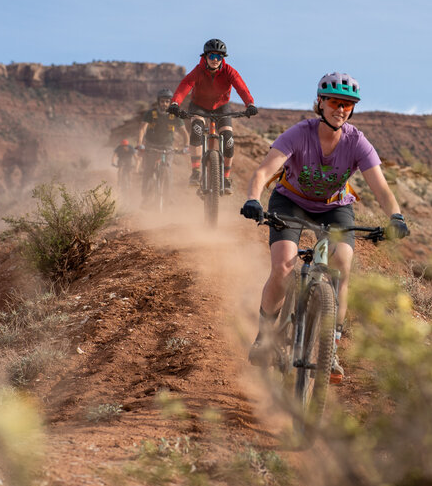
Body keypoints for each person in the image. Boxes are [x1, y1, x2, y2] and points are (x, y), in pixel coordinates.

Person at [240, 72, 409, 383]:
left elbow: (381, 189)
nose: (340, 109)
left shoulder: (357, 142)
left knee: (342, 263)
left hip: (335, 208)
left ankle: (330, 348)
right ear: (320, 102)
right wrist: (253, 198)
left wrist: (395, 216)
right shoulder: (299, 134)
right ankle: (264, 337)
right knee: (283, 268)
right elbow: (264, 170)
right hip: (290, 202)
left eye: (347, 104)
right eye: (334, 102)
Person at [167, 38, 258, 193]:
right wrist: (175, 103)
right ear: (205, 56)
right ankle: (196, 172)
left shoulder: (229, 71)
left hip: (221, 107)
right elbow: (185, 85)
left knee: (228, 138)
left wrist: (250, 104)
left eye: (219, 57)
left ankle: (226, 178)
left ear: (222, 58)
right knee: (196, 129)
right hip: (199, 106)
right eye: (212, 56)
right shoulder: (198, 70)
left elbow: (241, 87)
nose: (215, 60)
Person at [137, 89, 189, 200]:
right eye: (162, 101)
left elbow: (184, 133)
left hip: (167, 147)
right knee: (148, 170)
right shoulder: (151, 114)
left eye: (167, 101)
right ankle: (145, 198)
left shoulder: (174, 115)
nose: (164, 104)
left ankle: (168, 198)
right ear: (158, 102)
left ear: (170, 102)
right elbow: (142, 129)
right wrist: (140, 144)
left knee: (168, 169)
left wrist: (186, 147)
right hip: (151, 146)